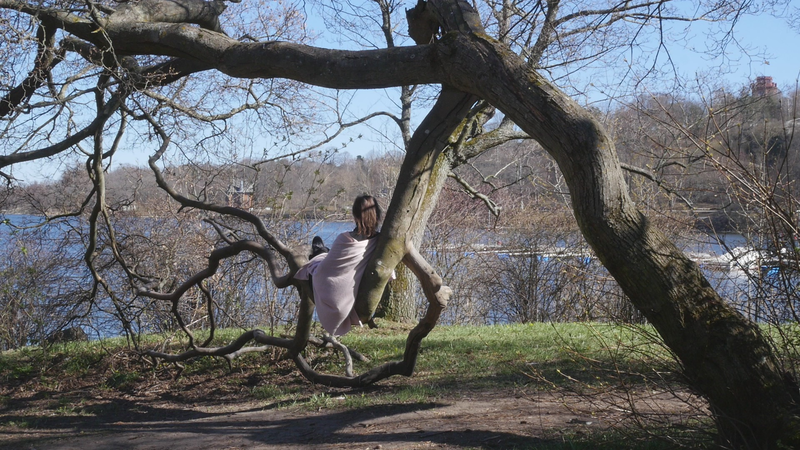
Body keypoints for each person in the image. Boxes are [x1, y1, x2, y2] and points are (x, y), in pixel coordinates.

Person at [294, 195, 385, 336]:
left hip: (333, 298)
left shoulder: (345, 239)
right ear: (377, 215)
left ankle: (319, 250)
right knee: (324, 254)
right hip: (351, 296)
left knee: (316, 260)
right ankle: (322, 250)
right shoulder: (379, 241)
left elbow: (324, 271)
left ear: (355, 215)